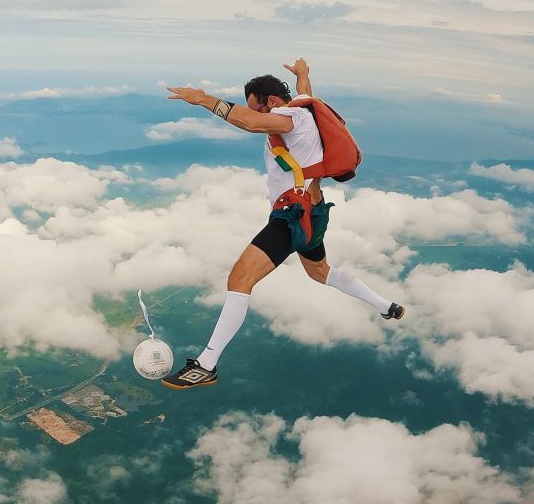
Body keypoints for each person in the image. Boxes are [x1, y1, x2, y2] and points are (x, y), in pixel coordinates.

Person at [161, 58, 404, 389]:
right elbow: (304, 96)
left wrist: (203, 99)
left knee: (239, 279)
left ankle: (207, 364)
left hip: (291, 217)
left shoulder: (290, 118)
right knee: (321, 272)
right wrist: (303, 76)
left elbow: (250, 123)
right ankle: (385, 306)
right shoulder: (304, 111)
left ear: (272, 102)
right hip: (313, 217)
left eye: (260, 108)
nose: (261, 115)